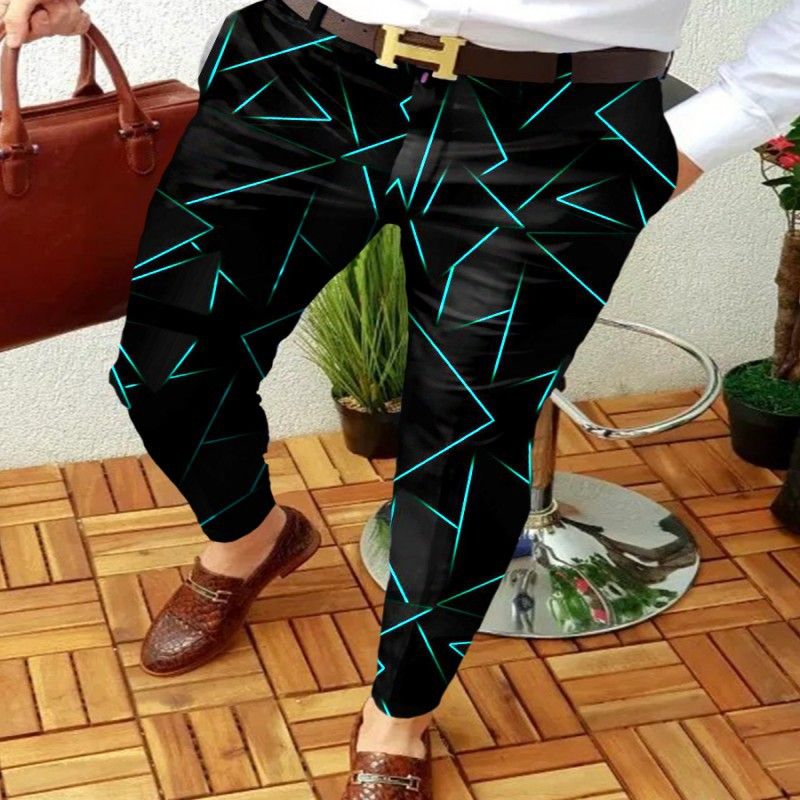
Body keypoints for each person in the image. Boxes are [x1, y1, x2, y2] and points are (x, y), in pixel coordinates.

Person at [3, 1, 798, 798]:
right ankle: (249, 538)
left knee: (466, 444)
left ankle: (399, 716)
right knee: (168, 369)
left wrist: (713, 126)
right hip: (303, 68)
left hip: (558, 125)